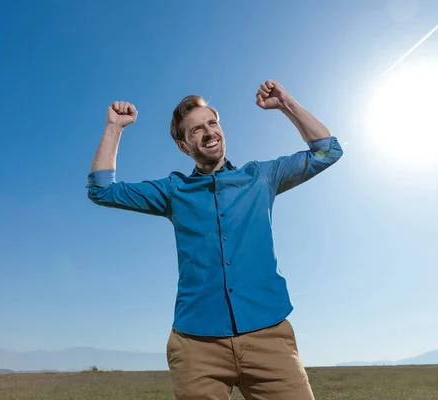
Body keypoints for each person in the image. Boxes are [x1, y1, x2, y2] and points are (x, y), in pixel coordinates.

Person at [87, 79, 344, 400]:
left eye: (212, 123)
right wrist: (114, 128)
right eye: (196, 130)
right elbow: (102, 190)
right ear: (183, 146)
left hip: (268, 336)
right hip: (197, 347)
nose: (209, 132)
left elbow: (328, 150)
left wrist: (286, 104)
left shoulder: (261, 177)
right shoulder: (173, 191)